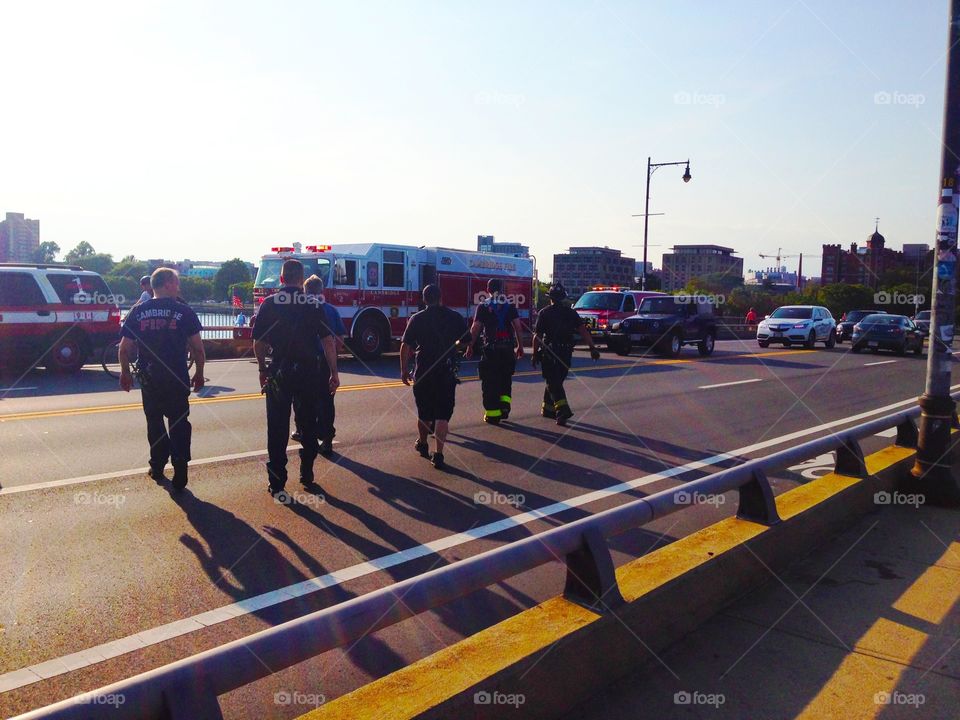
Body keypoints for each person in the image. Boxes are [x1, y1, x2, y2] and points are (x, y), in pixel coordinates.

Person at [253, 259, 339, 495]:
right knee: (308, 424)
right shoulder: (313, 304)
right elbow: (328, 342)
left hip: (279, 371)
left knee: (277, 427)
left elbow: (258, 342)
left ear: (281, 279)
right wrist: (333, 372)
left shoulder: (270, 303)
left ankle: (277, 481)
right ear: (301, 280)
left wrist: (262, 369)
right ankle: (307, 471)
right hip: (309, 372)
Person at [118, 268, 205, 489]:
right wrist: (200, 373)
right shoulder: (184, 312)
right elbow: (198, 348)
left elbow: (124, 348)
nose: (179, 287)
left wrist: (125, 373)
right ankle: (180, 470)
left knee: (154, 423)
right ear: (167, 284)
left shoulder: (137, 312)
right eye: (176, 282)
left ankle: (157, 466)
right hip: (176, 377)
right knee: (179, 424)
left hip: (149, 379)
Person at [400, 284, 468, 469]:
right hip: (446, 372)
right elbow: (466, 341)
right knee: (442, 415)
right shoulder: (455, 317)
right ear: (440, 298)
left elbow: (405, 346)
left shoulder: (417, 319)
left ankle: (422, 443)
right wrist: (454, 348)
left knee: (424, 413)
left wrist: (404, 370)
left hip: (423, 371)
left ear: (424, 299)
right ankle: (438, 454)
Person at [531, 282, 600, 426]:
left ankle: (563, 410)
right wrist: (592, 348)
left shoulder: (544, 313)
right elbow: (583, 331)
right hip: (566, 353)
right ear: (563, 298)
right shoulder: (571, 313)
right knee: (556, 381)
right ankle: (548, 409)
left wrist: (534, 353)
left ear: (550, 298)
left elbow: (537, 335)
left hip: (550, 352)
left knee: (552, 382)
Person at [464, 279, 524, 424]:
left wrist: (470, 345)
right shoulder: (509, 305)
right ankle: (504, 407)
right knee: (505, 379)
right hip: (507, 349)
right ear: (502, 289)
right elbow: (517, 326)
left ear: (488, 289)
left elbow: (475, 328)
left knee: (490, 382)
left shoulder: (483, 306)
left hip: (491, 350)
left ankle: (492, 415)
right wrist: (520, 346)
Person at [301, 274, 347, 456]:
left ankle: (305, 435)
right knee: (327, 401)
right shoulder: (331, 311)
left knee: (304, 401)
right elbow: (339, 340)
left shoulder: (299, 310)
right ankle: (327, 439)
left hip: (305, 363)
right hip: (325, 363)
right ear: (322, 291)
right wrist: (334, 367)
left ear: (305, 291)